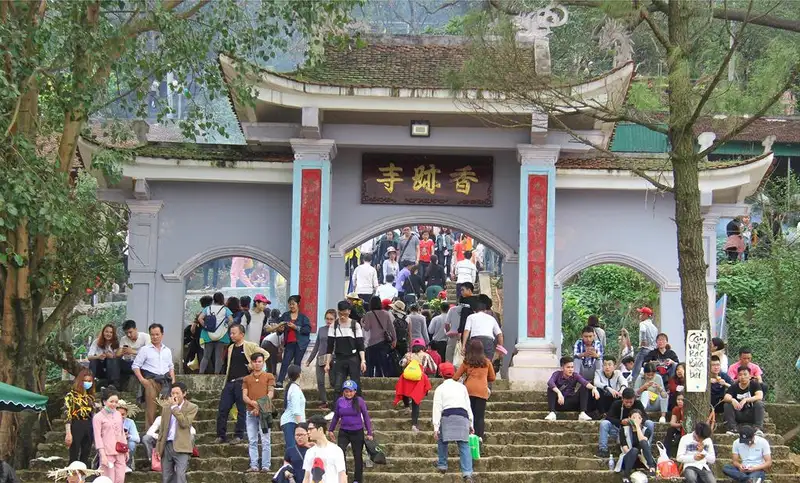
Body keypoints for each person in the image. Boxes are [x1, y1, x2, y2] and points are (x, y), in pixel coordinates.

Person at [216, 323, 269, 444]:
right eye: (230, 333)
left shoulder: (250, 346)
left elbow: (265, 354)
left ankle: (239, 435)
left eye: (234, 333)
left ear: (242, 334)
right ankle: (221, 435)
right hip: (230, 382)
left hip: (243, 382)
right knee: (223, 409)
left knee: (241, 410)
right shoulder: (230, 348)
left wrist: (253, 365)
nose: (231, 335)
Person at [432, 362, 474, 482]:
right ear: (454, 373)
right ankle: (467, 473)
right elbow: (468, 406)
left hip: (447, 417)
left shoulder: (440, 389)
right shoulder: (462, 387)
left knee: (442, 440)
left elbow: (437, 409)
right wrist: (471, 424)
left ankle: (442, 464)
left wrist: (436, 428)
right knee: (464, 445)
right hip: (463, 417)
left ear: (441, 374)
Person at [132, 323, 175, 429]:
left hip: (165, 381)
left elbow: (171, 367)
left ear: (162, 335)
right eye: (152, 334)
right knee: (151, 408)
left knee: (165, 408)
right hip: (150, 381)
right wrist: (142, 380)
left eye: (157, 334)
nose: (154, 337)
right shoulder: (145, 349)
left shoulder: (167, 350)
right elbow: (135, 366)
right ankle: (150, 433)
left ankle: (164, 433)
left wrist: (173, 380)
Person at [328, 380, 373, 483]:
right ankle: (344, 476)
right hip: (344, 431)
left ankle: (357, 479)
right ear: (343, 392)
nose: (348, 394)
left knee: (357, 455)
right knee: (340, 453)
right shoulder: (340, 401)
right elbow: (336, 416)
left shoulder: (360, 401)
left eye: (351, 391)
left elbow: (366, 416)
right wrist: (331, 429)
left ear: (355, 391)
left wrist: (369, 432)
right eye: (346, 391)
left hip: (357, 431)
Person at [156, 382, 199, 483]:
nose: (174, 396)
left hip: (182, 446)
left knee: (180, 476)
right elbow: (162, 429)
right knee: (166, 477)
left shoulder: (192, 407)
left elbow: (184, 423)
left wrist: (175, 408)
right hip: (167, 445)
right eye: (172, 393)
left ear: (184, 394)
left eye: (177, 393)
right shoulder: (166, 407)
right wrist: (158, 447)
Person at [453, 339, 495, 440]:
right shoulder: (487, 362)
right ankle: (479, 438)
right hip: (482, 391)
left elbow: (455, 377)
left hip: (468, 391)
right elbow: (492, 377)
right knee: (480, 417)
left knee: (469, 415)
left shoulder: (466, 362)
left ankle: (468, 437)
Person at [242, 352, 276, 473]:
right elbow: (244, 396)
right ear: (251, 363)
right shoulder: (246, 379)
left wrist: (259, 405)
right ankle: (254, 465)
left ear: (263, 362)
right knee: (252, 440)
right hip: (250, 411)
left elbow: (270, 393)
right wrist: (253, 403)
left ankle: (266, 465)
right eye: (255, 362)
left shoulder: (269, 376)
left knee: (265, 440)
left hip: (265, 411)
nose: (257, 364)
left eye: (259, 361)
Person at [596, 388, 654, 458]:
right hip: (619, 430)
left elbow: (645, 417)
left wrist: (636, 422)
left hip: (636, 432)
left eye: (631, 402)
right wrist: (621, 421)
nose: (628, 404)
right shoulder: (617, 404)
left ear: (634, 399)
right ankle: (603, 449)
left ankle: (647, 449)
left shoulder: (638, 404)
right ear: (622, 398)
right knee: (604, 423)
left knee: (650, 423)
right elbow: (609, 417)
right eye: (626, 402)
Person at [326, 301, 367, 397]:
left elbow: (360, 345)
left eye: (345, 314)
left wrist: (363, 360)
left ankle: (357, 405)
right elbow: (330, 346)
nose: (342, 316)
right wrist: (327, 363)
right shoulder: (334, 325)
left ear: (349, 312)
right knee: (338, 386)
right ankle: (338, 405)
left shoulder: (355, 325)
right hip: (339, 358)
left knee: (356, 384)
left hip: (353, 357)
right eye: (340, 314)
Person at [394, 338, 436, 433]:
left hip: (407, 378)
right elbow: (434, 368)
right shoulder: (426, 355)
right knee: (416, 401)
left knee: (404, 391)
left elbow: (401, 363)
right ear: (423, 347)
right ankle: (414, 424)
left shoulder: (408, 355)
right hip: (418, 380)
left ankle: (406, 407)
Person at [545, 356, 600, 421]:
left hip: (572, 402)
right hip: (559, 403)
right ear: (562, 368)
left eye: (572, 367)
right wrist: (559, 393)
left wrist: (594, 388)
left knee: (584, 387)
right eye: (568, 367)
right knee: (550, 389)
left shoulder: (575, 375)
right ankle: (552, 413)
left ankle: (583, 413)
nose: (571, 369)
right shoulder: (557, 374)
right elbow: (550, 382)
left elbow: (585, 382)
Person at [92, 388, 128, 482]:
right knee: (108, 479)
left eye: (116, 402)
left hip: (120, 450)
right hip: (107, 453)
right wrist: (102, 455)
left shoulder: (118, 414)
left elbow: (121, 433)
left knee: (120, 479)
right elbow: (97, 437)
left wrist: (126, 450)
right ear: (104, 402)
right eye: (111, 401)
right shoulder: (98, 417)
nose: (114, 404)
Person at [276, 295, 312, 388]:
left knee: (297, 364)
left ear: (298, 304)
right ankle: (280, 381)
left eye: (293, 304)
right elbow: (279, 330)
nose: (291, 306)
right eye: (290, 304)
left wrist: (295, 327)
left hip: (300, 344)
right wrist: (280, 329)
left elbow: (307, 330)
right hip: (289, 343)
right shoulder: (285, 315)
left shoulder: (303, 317)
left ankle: (295, 383)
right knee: (285, 362)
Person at [64, 368, 97, 465]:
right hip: (76, 424)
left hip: (89, 425)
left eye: (89, 381)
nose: (87, 383)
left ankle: (83, 473)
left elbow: (94, 414)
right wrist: (68, 433)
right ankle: (72, 474)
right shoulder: (71, 396)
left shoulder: (91, 397)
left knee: (86, 453)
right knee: (74, 454)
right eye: (85, 381)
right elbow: (67, 414)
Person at [303, 415, 347, 483]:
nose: (308, 432)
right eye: (308, 429)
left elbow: (342, 476)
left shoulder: (336, 450)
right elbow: (307, 477)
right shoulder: (309, 452)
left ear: (320, 429)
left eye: (311, 429)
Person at [198, 292, 233, 375]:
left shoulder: (208, 308)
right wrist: (226, 326)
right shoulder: (225, 309)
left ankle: (201, 373)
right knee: (218, 356)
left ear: (214, 299)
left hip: (208, 334)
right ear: (222, 299)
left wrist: (205, 326)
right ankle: (217, 374)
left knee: (206, 356)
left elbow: (200, 318)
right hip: (221, 335)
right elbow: (231, 320)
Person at [723, 366, 765, 435]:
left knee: (759, 403)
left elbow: (759, 396)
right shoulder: (734, 386)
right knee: (727, 404)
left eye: (745, 374)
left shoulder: (754, 384)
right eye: (740, 375)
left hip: (751, 413)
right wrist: (732, 400)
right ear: (737, 376)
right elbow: (726, 397)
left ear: (750, 376)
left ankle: (758, 428)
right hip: (738, 413)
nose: (742, 377)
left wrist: (746, 399)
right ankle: (732, 428)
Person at [361, 297, 397, 378]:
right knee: (383, 364)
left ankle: (370, 381)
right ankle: (385, 380)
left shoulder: (368, 314)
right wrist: (394, 340)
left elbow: (366, 328)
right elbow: (391, 328)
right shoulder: (386, 314)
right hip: (383, 342)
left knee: (371, 365)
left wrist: (362, 323)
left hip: (371, 343)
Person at [462, 295, 504, 364]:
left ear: (474, 310)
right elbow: (500, 334)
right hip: (488, 342)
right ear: (485, 310)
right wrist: (500, 348)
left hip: (475, 341)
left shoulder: (471, 317)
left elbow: (466, 331)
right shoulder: (491, 318)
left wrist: (463, 346)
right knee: (487, 363)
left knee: (474, 362)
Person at [619, 409, 657, 483]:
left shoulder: (647, 431)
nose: (636, 420)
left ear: (641, 419)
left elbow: (643, 441)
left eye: (639, 418)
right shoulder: (623, 430)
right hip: (629, 458)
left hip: (643, 460)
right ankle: (626, 476)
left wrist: (637, 427)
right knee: (634, 450)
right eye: (634, 418)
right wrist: (636, 454)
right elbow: (625, 448)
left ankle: (652, 468)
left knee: (643, 442)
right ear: (629, 418)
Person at [307, 309, 335, 409]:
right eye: (327, 318)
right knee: (320, 381)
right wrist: (309, 360)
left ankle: (337, 402)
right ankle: (324, 401)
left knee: (333, 382)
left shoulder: (337, 330)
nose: (329, 321)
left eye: (331, 319)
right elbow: (316, 345)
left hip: (333, 358)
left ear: (335, 320)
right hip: (321, 358)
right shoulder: (321, 329)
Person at [281, 364, 306, 452]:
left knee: (296, 449)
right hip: (291, 422)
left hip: (293, 422)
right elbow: (296, 410)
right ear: (299, 374)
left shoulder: (294, 387)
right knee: (293, 450)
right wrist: (301, 426)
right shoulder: (295, 389)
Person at [88, 324, 122, 388]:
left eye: (111, 332)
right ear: (103, 332)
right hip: (100, 368)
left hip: (111, 369)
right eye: (106, 332)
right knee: (93, 360)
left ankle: (113, 384)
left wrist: (112, 356)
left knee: (112, 360)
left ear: (113, 334)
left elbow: (119, 357)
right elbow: (89, 357)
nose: (108, 334)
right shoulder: (96, 342)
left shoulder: (117, 343)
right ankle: (90, 382)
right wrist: (98, 356)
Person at [118, 320, 151, 386]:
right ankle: (115, 385)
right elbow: (118, 354)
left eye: (130, 332)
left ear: (136, 329)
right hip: (129, 362)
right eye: (126, 333)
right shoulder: (123, 339)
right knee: (115, 362)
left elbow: (149, 353)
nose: (128, 335)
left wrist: (132, 351)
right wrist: (122, 352)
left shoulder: (145, 337)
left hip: (142, 363)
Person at [631, 306, 658, 383]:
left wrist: (643, 340)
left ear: (646, 315)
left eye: (641, 313)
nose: (640, 315)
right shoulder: (654, 327)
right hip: (652, 350)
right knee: (648, 367)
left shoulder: (643, 323)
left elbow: (643, 331)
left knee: (637, 367)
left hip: (644, 349)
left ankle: (634, 382)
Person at [117, 400, 140, 472]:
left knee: (132, 444)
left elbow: (137, 439)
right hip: (113, 443)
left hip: (125, 444)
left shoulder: (130, 422)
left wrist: (128, 436)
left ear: (126, 414)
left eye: (123, 414)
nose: (121, 416)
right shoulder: (110, 421)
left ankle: (127, 464)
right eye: (118, 414)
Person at [261, 309, 285, 376]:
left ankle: (269, 376)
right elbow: (281, 345)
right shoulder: (283, 331)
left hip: (264, 342)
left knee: (269, 364)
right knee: (273, 362)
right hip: (270, 343)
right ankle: (273, 376)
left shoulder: (269, 321)